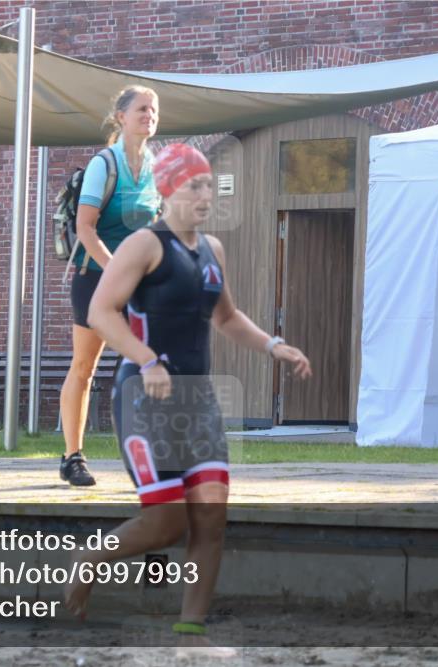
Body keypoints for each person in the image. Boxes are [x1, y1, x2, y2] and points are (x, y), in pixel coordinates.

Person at [64, 143, 312, 654]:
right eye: (195, 185)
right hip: (145, 397)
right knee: (166, 522)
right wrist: (147, 358)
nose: (206, 194)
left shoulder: (212, 250)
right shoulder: (143, 246)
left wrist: (274, 346)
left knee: (211, 516)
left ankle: (191, 631)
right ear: (169, 189)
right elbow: (102, 312)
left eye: (208, 185)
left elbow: (224, 317)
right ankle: (91, 558)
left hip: (197, 403)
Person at [59, 85, 161, 487]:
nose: (149, 115)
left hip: (138, 281)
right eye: (141, 109)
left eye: (153, 110)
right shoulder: (105, 164)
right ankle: (72, 457)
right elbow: (85, 228)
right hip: (96, 278)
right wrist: (118, 271)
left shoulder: (157, 166)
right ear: (120, 116)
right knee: (84, 367)